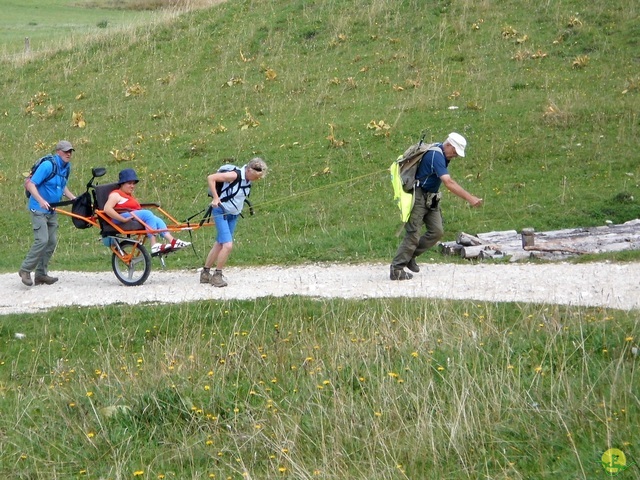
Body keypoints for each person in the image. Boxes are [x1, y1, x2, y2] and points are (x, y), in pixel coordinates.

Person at [390, 132, 483, 280]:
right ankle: (397, 269)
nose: (456, 156)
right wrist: (470, 198)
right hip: (419, 197)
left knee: (437, 231)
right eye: (455, 152)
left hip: (431, 198)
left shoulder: (442, 154)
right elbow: (448, 182)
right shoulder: (437, 156)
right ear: (448, 145)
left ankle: (409, 257)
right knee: (413, 235)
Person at [201, 157, 268, 287]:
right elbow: (211, 178)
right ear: (249, 170)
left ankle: (205, 273)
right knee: (228, 245)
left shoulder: (248, 179)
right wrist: (215, 198)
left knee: (220, 243)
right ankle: (217, 276)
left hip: (234, 214)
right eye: (256, 176)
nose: (256, 179)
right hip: (221, 212)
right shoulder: (234, 175)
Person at [19, 140, 77, 286]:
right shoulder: (48, 165)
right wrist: (40, 200)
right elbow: (31, 184)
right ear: (58, 152)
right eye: (65, 151)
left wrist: (73, 198)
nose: (68, 154)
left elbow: (62, 187)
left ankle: (41, 274)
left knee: (51, 242)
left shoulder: (66, 167)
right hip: (38, 208)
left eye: (70, 151)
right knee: (42, 240)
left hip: (52, 209)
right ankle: (25, 270)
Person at [103, 168, 191, 254]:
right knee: (148, 214)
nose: (132, 186)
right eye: (129, 183)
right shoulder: (116, 194)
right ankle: (154, 244)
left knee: (157, 219)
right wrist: (122, 219)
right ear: (122, 184)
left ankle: (172, 241)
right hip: (120, 217)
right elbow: (107, 209)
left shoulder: (128, 195)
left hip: (131, 215)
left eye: (133, 184)